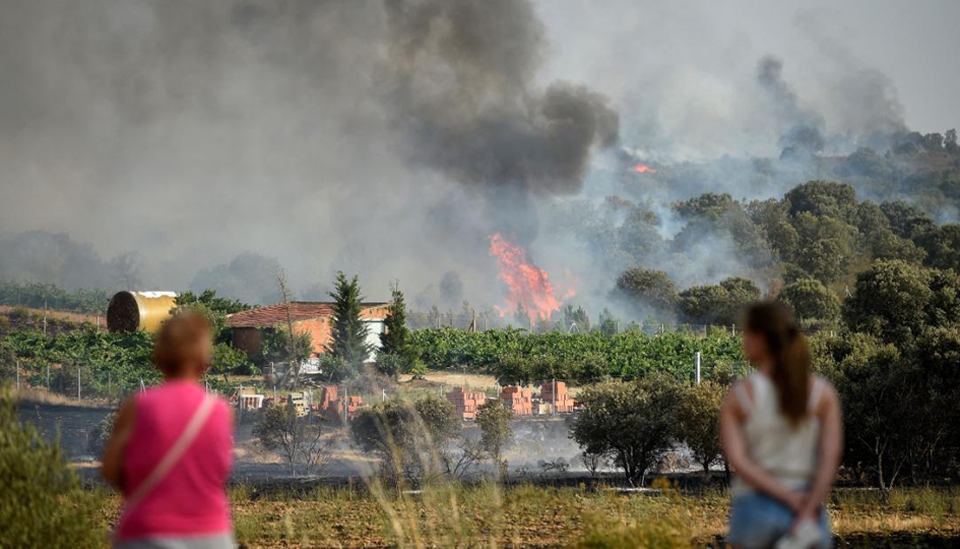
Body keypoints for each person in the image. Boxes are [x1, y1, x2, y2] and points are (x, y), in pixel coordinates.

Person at [102, 311, 235, 548]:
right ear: (204, 359)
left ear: (159, 356)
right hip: (210, 535)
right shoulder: (220, 410)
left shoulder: (137, 407)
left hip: (146, 534)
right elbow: (220, 472)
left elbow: (111, 471)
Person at [721, 302, 842, 549]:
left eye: (746, 334)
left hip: (754, 508)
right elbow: (830, 458)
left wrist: (785, 497)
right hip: (807, 508)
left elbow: (739, 461)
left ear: (760, 337)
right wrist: (806, 508)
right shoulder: (822, 393)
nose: (742, 341)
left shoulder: (740, 395)